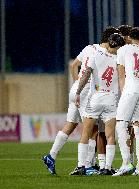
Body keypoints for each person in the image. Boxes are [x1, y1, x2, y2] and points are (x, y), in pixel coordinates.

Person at [42, 26, 118, 175]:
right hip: (86, 91)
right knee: (92, 128)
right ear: (110, 40)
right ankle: (86, 165)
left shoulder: (89, 47)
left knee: (70, 125)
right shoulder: (105, 53)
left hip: (75, 89)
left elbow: (73, 65)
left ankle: (51, 155)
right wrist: (82, 89)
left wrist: (76, 82)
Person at [70, 33, 125, 175]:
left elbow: (86, 73)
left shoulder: (96, 55)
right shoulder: (119, 60)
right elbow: (121, 79)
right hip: (111, 99)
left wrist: (78, 92)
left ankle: (81, 166)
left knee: (86, 132)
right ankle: (107, 167)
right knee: (110, 135)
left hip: (95, 98)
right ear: (118, 46)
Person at [113, 27, 139, 176]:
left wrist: (123, 93)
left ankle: (126, 163)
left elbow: (121, 75)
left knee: (121, 124)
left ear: (128, 37)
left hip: (131, 89)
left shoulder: (123, 50)